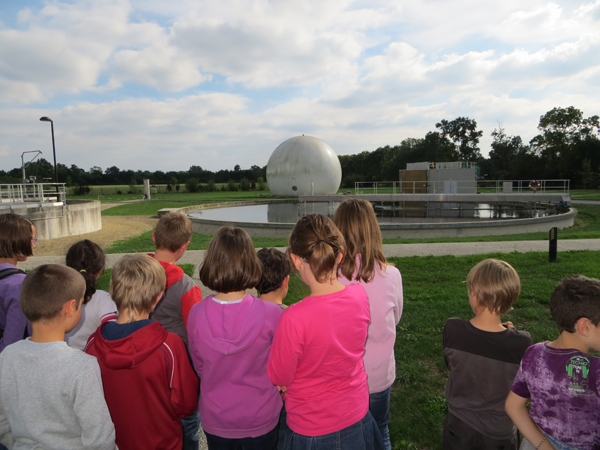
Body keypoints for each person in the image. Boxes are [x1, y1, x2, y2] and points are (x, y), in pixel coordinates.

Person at [268, 214, 383, 450]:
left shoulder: (293, 318)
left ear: (296, 261)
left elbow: (279, 376)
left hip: (310, 429)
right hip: (357, 418)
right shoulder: (359, 296)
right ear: (340, 254)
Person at [85, 254, 199, 450]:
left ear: (111, 292)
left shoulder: (93, 345)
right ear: (158, 297)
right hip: (164, 443)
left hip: (117, 443)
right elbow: (186, 404)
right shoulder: (169, 346)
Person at [0, 264, 116, 449]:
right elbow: (100, 439)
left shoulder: (7, 356)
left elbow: (3, 422)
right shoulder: (82, 366)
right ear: (70, 307)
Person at [187, 226, 282, 449]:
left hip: (217, 418)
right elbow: (278, 367)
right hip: (261, 416)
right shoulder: (272, 314)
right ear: (250, 263)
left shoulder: (196, 314)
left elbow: (200, 366)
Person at [333, 199, 403, 450]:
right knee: (380, 430)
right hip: (379, 376)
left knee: (346, 437)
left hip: (342, 378)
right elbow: (396, 317)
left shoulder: (330, 278)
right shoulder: (391, 275)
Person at [443, 258, 532, 450]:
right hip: (499, 433)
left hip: (459, 428)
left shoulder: (453, 329)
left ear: (473, 294)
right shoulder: (522, 343)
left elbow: (451, 365)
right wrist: (510, 336)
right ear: (511, 298)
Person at [506, 275, 600, 450]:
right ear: (585, 327)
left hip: (535, 443)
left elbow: (513, 406)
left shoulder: (534, 353)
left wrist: (543, 446)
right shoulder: (596, 369)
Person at [150, 212, 203, 449]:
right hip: (178, 363)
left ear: (154, 236)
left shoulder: (134, 273)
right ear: (184, 247)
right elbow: (195, 334)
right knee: (188, 422)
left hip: (145, 360)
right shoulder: (187, 287)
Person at [65, 239, 117, 350]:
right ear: (101, 270)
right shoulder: (104, 300)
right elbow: (113, 333)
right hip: (94, 360)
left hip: (63, 359)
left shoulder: (58, 297)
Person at [0, 213, 35, 353]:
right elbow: (13, 340)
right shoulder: (19, 285)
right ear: (18, 241)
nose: (33, 245)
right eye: (32, 240)